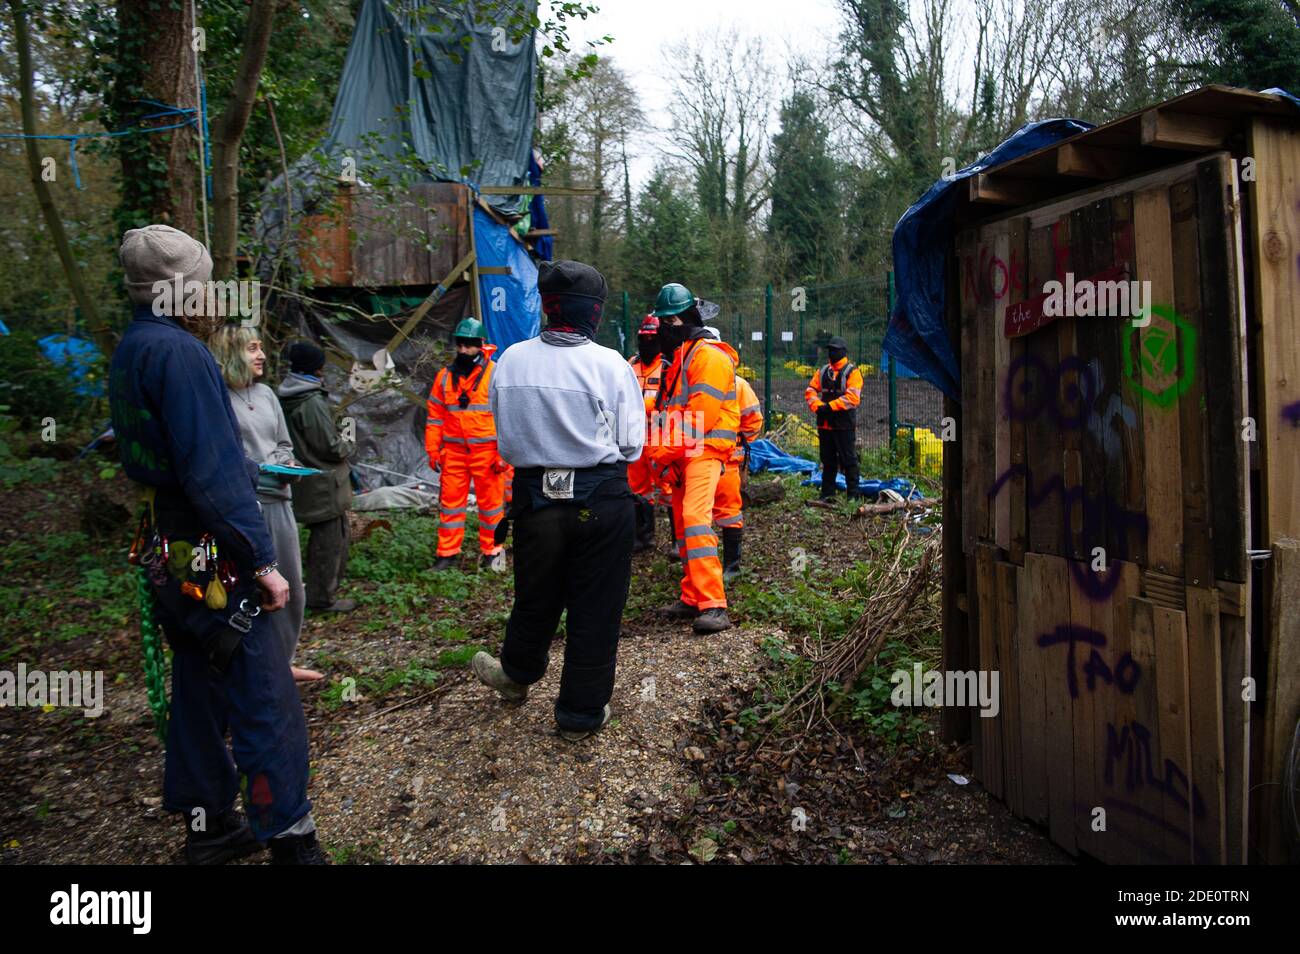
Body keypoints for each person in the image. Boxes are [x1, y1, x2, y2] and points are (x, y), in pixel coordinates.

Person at [109, 224, 324, 864]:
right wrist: (261, 561)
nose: (212, 299)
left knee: (200, 685)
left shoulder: (135, 347)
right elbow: (213, 471)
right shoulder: (180, 355)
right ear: (180, 293)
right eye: (203, 287)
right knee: (264, 691)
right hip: (207, 553)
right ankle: (291, 840)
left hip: (166, 550)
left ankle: (208, 826)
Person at [472, 260, 644, 741]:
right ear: (594, 312)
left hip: (535, 499)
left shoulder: (511, 361)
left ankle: (516, 675)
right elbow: (632, 444)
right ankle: (579, 714)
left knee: (535, 593)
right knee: (596, 604)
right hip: (600, 501)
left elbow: (503, 434)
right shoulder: (611, 364)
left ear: (548, 307)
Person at [207, 325, 321, 684]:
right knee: (255, 589)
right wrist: (258, 471)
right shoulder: (216, 399)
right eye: (251, 349)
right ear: (230, 354)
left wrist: (287, 466)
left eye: (260, 348)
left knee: (292, 587)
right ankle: (258, 668)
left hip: (281, 500)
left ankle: (284, 661)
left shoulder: (268, 394)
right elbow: (221, 458)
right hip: (247, 508)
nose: (261, 356)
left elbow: (284, 443)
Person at [648, 283, 739, 634]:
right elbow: (668, 411)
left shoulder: (709, 357)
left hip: (704, 451)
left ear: (680, 321)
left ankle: (714, 604)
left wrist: (661, 452)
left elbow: (700, 416)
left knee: (695, 520)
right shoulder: (682, 358)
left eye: (664, 323)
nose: (659, 331)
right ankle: (693, 597)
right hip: (685, 454)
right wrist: (661, 454)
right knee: (686, 526)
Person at [278, 342, 357, 614]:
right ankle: (322, 599)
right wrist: (349, 441)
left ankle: (317, 593)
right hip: (324, 484)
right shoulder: (309, 401)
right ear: (317, 368)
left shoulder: (288, 395)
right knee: (329, 544)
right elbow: (330, 446)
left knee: (328, 540)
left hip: (311, 482)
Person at [424, 318, 508, 571]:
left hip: (488, 453)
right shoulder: (444, 378)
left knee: (492, 507)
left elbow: (508, 417)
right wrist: (432, 449)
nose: (463, 351)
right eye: (460, 345)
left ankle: (493, 553)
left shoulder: (495, 375)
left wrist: (504, 454)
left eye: (469, 346)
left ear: (481, 345)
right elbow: (435, 417)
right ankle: (447, 555)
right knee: (450, 506)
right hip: (454, 454)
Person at [701, 327, 763, 582]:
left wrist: (738, 442)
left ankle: (725, 567)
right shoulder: (736, 384)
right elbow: (753, 421)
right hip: (717, 459)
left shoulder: (735, 384)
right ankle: (720, 566)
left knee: (717, 512)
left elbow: (752, 420)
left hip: (716, 459)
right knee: (716, 513)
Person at [805, 335, 865, 501]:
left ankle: (853, 496)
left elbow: (853, 398)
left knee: (849, 460)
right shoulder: (823, 371)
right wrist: (817, 406)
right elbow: (810, 390)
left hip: (844, 425)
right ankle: (827, 494)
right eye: (830, 349)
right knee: (828, 460)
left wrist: (829, 407)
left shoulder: (853, 372)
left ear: (843, 351)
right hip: (825, 424)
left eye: (835, 350)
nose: (832, 352)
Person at [627, 314, 663, 552]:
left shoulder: (668, 366)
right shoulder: (631, 364)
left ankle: (677, 541)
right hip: (635, 434)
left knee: (669, 487)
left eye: (652, 337)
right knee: (638, 487)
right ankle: (643, 535)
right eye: (644, 337)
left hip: (662, 435)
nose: (647, 341)